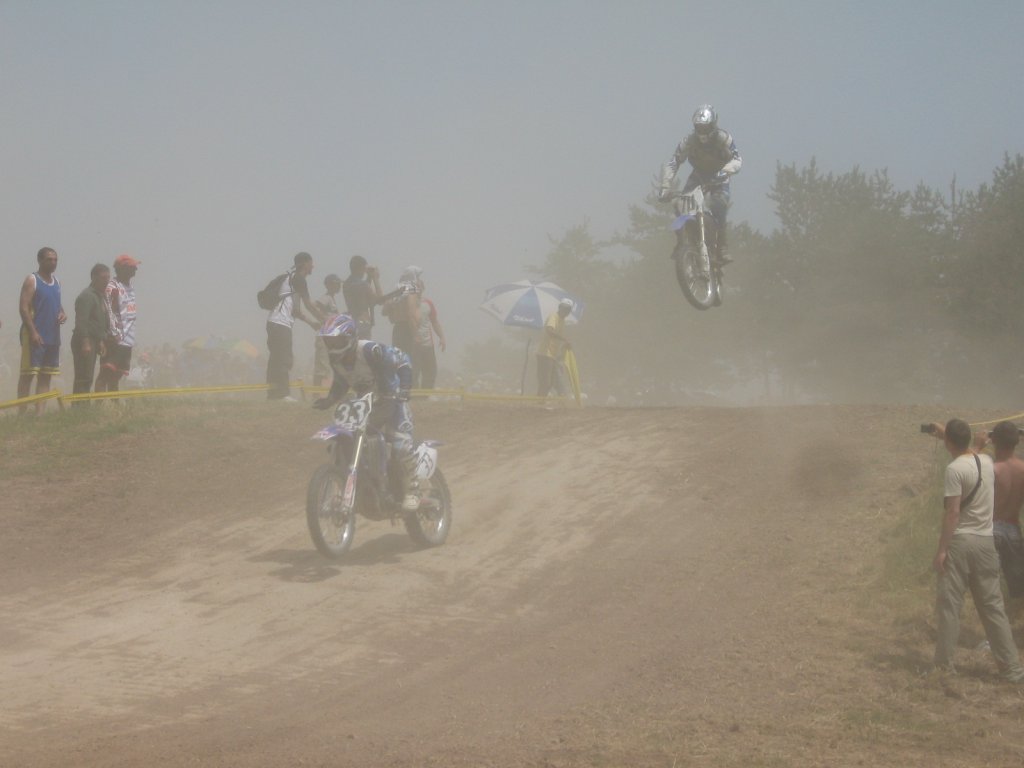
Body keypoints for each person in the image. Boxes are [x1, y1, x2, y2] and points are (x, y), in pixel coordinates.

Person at [926, 418, 1024, 682]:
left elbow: (953, 513)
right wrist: (953, 437)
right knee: (993, 608)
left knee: (950, 606)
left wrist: (942, 551)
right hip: (985, 542)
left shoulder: (954, 470)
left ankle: (944, 667)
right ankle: (1012, 669)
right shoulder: (987, 463)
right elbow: (973, 456)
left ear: (948, 442)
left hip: (960, 542)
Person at [312, 314, 420, 511]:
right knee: (351, 433)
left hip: (393, 396)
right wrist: (329, 400)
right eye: (329, 341)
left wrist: (404, 388)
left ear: (350, 337)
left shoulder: (371, 351)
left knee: (399, 442)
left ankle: (412, 490)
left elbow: (402, 361)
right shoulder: (337, 361)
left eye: (336, 341)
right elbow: (342, 382)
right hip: (366, 401)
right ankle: (365, 475)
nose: (332, 346)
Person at [658, 104, 742, 264]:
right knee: (681, 204)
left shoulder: (724, 138)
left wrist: (725, 171)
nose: (702, 132)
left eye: (706, 128)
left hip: (719, 177)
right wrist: (665, 186)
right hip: (698, 176)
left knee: (719, 205)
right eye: (699, 128)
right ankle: (682, 241)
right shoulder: (689, 141)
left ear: (713, 125)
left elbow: (737, 159)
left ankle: (722, 247)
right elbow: (674, 161)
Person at [265, 251, 324, 402]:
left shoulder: (291, 279)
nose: (313, 266)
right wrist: (326, 320)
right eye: (311, 263)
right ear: (304, 264)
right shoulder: (299, 279)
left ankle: (273, 394)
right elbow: (309, 305)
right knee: (284, 359)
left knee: (276, 359)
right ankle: (282, 394)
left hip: (275, 323)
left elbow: (296, 310)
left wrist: (312, 323)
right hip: (280, 323)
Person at [18, 247, 66, 412]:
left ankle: (39, 413)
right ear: (40, 260)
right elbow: (23, 307)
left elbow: (56, 304)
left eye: (55, 260)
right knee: (28, 375)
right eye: (49, 259)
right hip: (35, 335)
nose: (53, 263)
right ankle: (22, 412)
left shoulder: (57, 282)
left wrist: (63, 313)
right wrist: (33, 332)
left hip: (53, 336)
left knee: (46, 375)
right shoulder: (32, 280)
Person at [983, 422, 1024, 600]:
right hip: (1013, 528)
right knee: (1018, 585)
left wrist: (978, 445)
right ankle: (1015, 611)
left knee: (989, 584)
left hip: (992, 528)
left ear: (994, 440)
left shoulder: (992, 469)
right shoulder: (1022, 468)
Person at [95, 254, 140, 394]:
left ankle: (114, 402)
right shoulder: (112, 287)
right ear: (121, 269)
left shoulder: (130, 287)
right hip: (114, 339)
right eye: (132, 267)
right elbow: (107, 311)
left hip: (127, 340)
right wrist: (112, 334)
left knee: (117, 375)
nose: (135, 269)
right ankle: (98, 404)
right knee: (105, 374)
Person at [70, 263, 111, 404]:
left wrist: (101, 341)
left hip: (95, 340)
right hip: (84, 340)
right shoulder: (87, 296)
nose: (106, 281)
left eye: (108, 278)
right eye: (103, 278)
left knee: (88, 376)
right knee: (83, 377)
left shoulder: (100, 297)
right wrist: (85, 342)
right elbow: (81, 321)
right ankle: (79, 408)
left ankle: (83, 407)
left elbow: (98, 323)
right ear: (94, 277)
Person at [536, 298, 573, 398]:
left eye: (568, 310)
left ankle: (540, 400)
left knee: (551, 382)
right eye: (564, 309)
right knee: (546, 381)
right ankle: (540, 400)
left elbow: (557, 339)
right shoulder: (554, 316)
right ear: (560, 308)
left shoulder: (562, 321)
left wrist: (565, 344)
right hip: (545, 353)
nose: (566, 311)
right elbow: (549, 330)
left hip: (552, 354)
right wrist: (564, 339)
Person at [410, 286, 446, 390]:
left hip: (428, 343)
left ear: (423, 288)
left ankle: (425, 395)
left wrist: (442, 337)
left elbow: (434, 321)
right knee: (414, 371)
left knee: (431, 371)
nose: (418, 289)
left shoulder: (428, 303)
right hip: (413, 343)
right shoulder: (408, 303)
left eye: (420, 286)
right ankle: (414, 394)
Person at [341, 255, 384, 340]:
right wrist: (375, 278)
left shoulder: (346, 284)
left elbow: (361, 294)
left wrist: (369, 277)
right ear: (360, 268)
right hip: (363, 323)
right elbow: (380, 300)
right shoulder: (363, 285)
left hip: (352, 321)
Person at [383, 266, 423, 354]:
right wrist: (416, 335)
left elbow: (384, 311)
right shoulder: (411, 291)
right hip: (408, 329)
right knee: (410, 359)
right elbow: (410, 314)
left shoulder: (398, 291)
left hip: (397, 329)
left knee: (398, 358)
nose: (420, 280)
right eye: (418, 277)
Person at [312, 273, 343, 386]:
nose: (339, 286)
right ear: (329, 285)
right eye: (336, 284)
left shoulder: (332, 299)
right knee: (322, 365)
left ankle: (321, 391)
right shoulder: (326, 297)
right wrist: (323, 318)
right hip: (325, 334)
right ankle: (316, 392)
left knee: (329, 364)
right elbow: (314, 306)